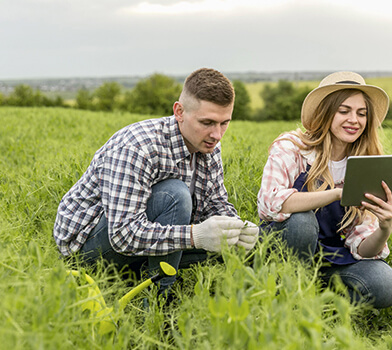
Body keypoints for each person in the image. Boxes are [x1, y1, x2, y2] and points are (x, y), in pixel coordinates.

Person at [54, 68, 259, 296]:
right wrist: (195, 236)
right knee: (175, 194)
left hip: (140, 240)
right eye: (207, 122)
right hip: (88, 248)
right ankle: (158, 301)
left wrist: (237, 228)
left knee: (223, 242)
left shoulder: (208, 144)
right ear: (179, 112)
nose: (217, 134)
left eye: (224, 123)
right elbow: (123, 235)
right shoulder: (137, 147)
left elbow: (215, 201)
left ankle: (144, 272)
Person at [257, 71, 392, 309]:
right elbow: (269, 203)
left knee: (387, 286)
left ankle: (320, 306)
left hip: (331, 258)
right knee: (301, 222)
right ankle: (287, 292)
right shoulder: (293, 148)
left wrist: (385, 228)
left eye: (361, 113)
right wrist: (336, 193)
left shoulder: (366, 163)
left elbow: (363, 248)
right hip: (284, 249)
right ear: (325, 112)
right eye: (343, 111)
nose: (354, 120)